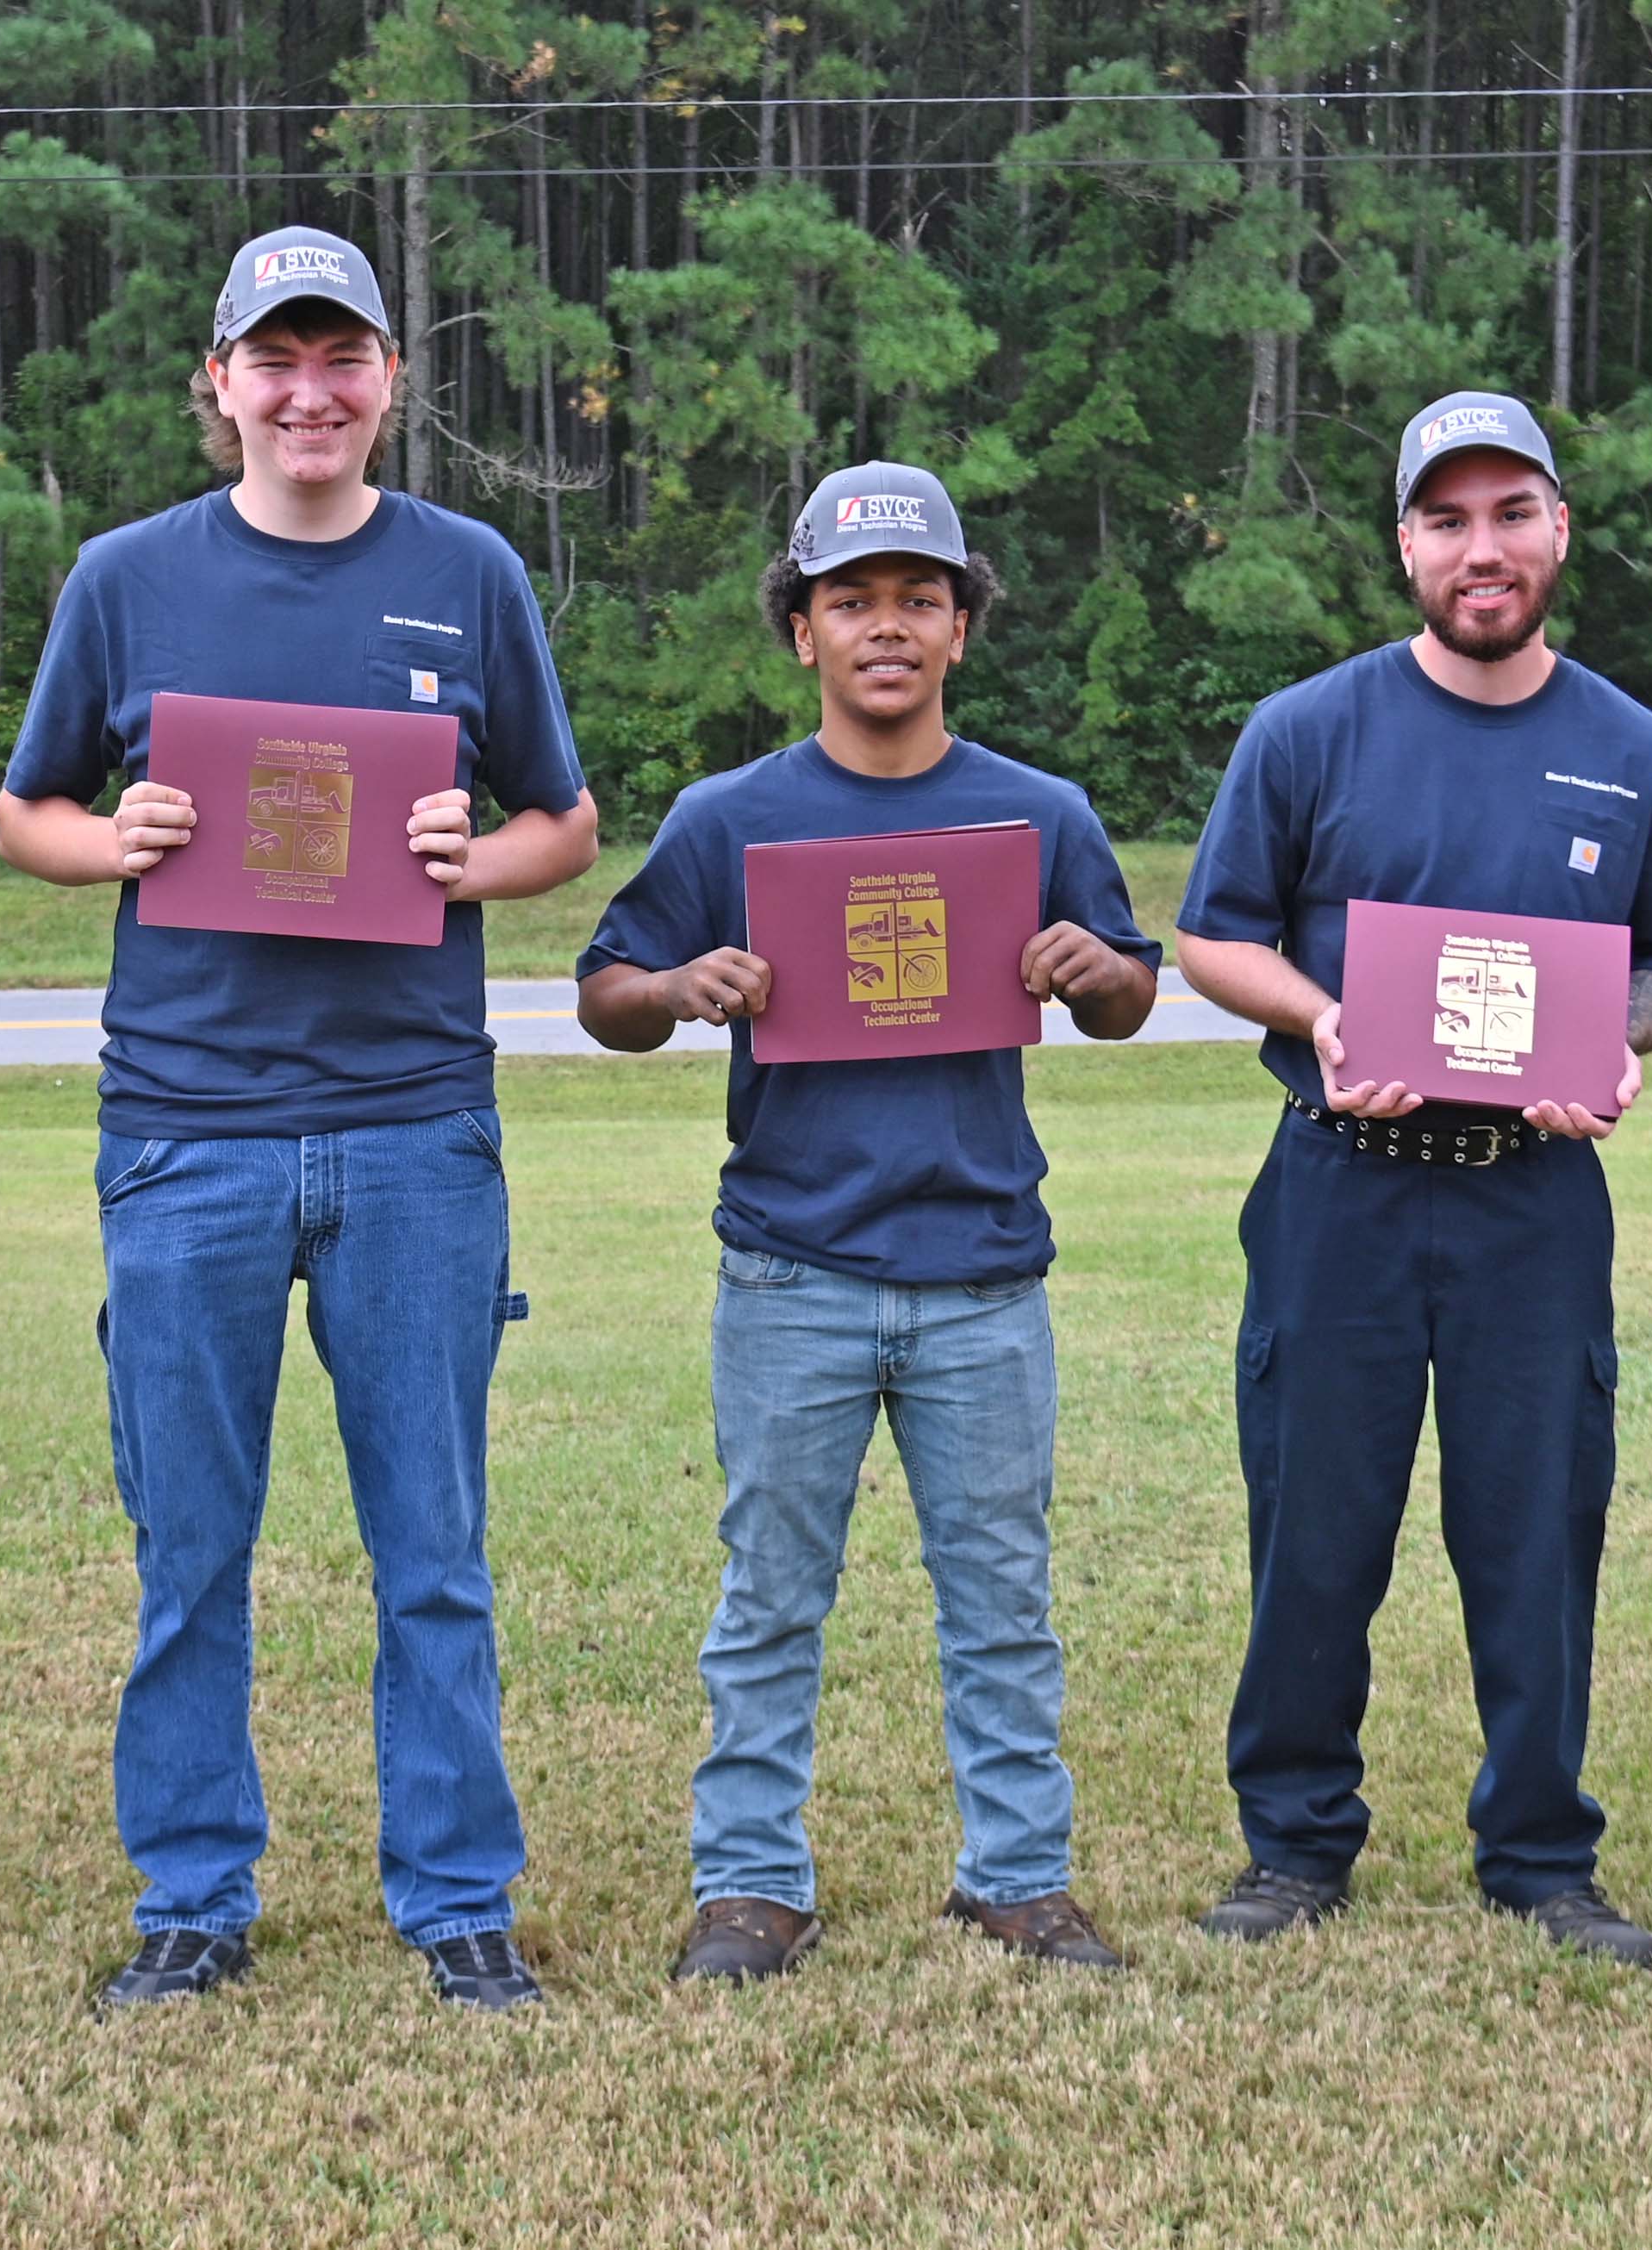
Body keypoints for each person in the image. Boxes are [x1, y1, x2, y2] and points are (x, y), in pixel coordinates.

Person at [0, 226, 598, 2014]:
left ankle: (457, 1895)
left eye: (344, 359)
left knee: (434, 1547)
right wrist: (126, 843)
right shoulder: (125, 577)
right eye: (278, 359)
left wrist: (469, 858)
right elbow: (25, 812)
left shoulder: (468, 572)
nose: (310, 392)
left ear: (391, 381)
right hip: (189, 1129)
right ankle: (192, 1894)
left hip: (415, 1127)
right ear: (222, 380)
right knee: (192, 1547)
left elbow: (565, 824)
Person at [578, 464, 1165, 1985]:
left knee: (1002, 1603)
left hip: (981, 1277)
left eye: (919, 599)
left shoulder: (1039, 813)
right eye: (852, 601)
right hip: (792, 1271)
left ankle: (1018, 1880)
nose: (886, 627)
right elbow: (605, 996)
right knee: (768, 1598)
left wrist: (1088, 968)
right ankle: (751, 1887)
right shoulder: (731, 819)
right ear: (802, 632)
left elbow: (1129, 995)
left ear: (961, 626)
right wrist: (678, 988)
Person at [1169, 391, 1652, 1967]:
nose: (1481, 550)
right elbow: (1215, 933)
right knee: (1314, 1522)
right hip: (1340, 1182)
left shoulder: (1635, 753)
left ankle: (1542, 1855)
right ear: (1406, 541)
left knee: (1538, 1520)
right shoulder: (1310, 728)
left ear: (1558, 529)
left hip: (1531, 1201)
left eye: (1511, 515)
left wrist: (1624, 1039)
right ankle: (1294, 1846)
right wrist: (1329, 1015)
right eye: (1447, 519)